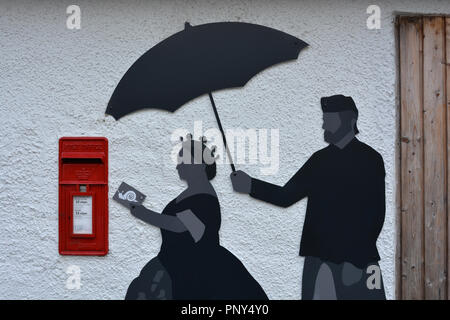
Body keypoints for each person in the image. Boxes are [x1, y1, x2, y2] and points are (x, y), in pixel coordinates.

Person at [230, 95, 386, 300]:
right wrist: (250, 185)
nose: (324, 125)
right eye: (324, 119)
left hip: (360, 262)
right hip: (320, 261)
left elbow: (376, 214)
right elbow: (286, 196)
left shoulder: (370, 159)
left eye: (330, 120)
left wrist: (356, 259)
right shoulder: (319, 160)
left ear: (349, 120)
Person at [125, 134, 268, 300]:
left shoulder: (204, 197)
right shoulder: (190, 193)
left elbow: (180, 226)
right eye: (179, 162)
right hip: (173, 264)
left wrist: (144, 213)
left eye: (184, 162)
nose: (179, 167)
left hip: (195, 271)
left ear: (200, 165)